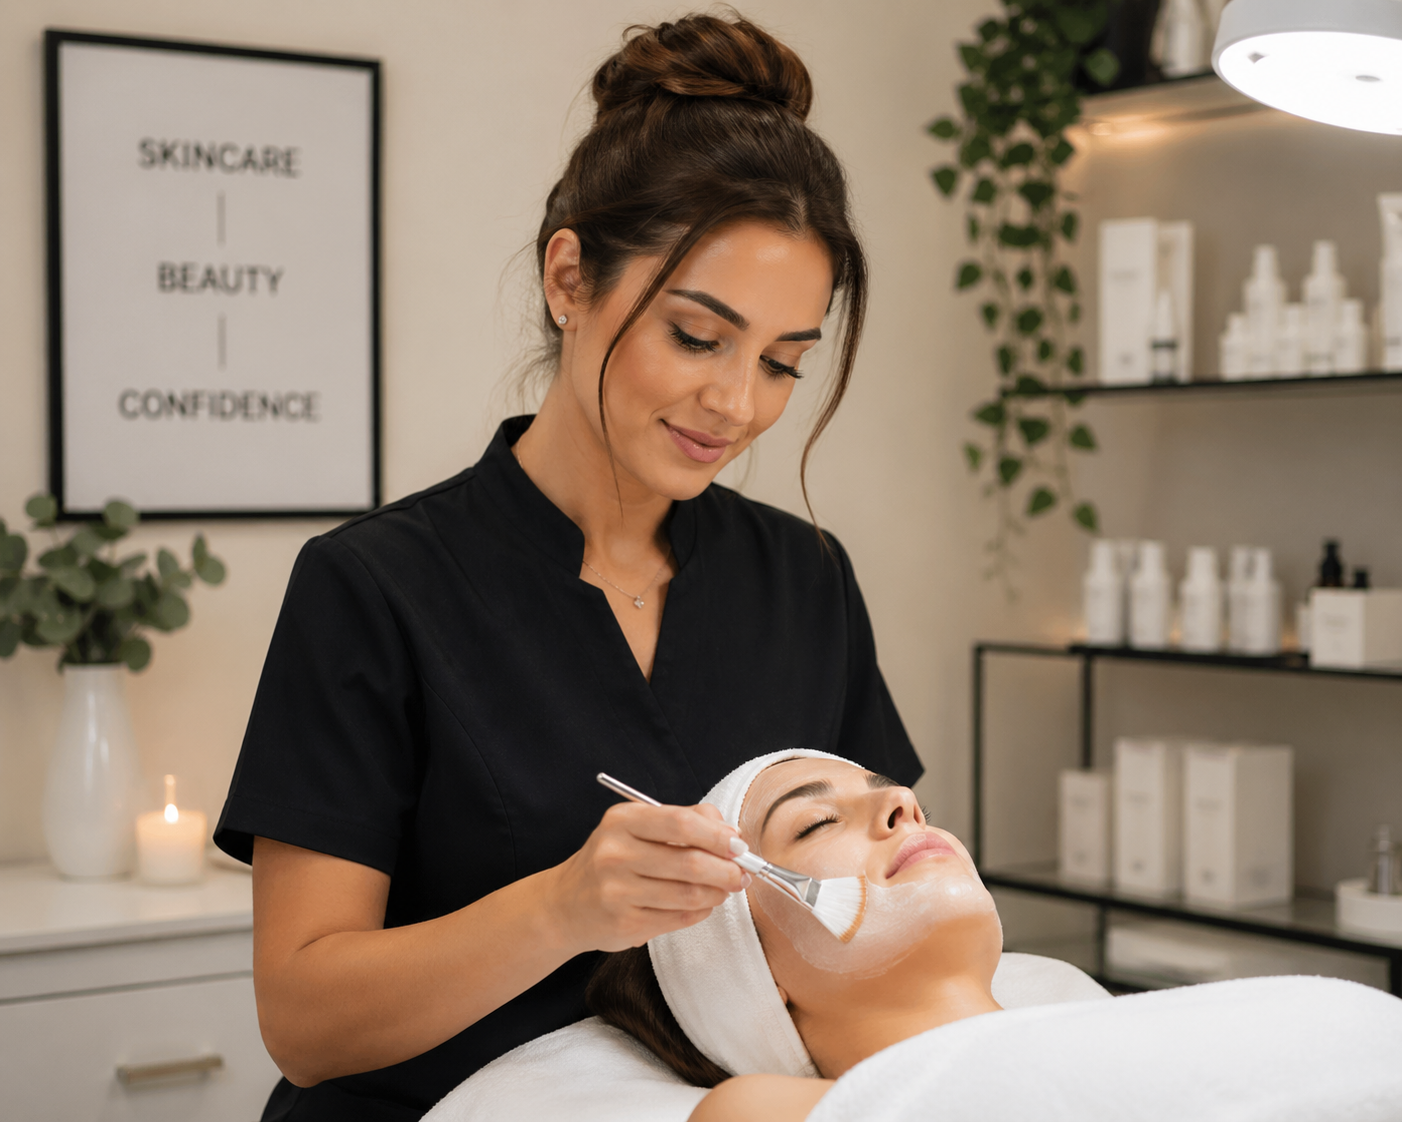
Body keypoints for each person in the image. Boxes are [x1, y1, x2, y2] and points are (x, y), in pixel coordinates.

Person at [213, 13, 920, 1122]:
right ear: (568, 278)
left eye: (783, 362)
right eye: (697, 337)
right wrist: (561, 908)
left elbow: (890, 920)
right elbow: (304, 1025)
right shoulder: (376, 588)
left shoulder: (806, 583)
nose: (736, 405)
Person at [587, 754, 1402, 1122]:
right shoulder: (753, 1108)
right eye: (818, 820)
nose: (904, 800)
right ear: (755, 984)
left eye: (893, 793)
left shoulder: (1113, 1025)